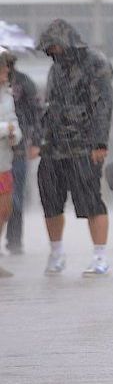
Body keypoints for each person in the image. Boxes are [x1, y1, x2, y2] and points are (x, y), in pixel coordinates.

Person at [35, 19, 113, 278]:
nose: (52, 52)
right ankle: (56, 253)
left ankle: (100, 256)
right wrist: (41, 138)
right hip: (53, 146)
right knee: (50, 200)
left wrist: (100, 142)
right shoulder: (54, 68)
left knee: (91, 201)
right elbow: (50, 105)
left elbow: (103, 104)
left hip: (84, 145)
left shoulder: (95, 62)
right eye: (49, 49)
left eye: (55, 46)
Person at [1, 50, 40, 255]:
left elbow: (35, 112)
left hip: (16, 150)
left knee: (14, 199)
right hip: (4, 152)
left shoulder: (23, 83)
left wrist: (35, 141)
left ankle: (14, 241)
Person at [0, 50, 24, 277]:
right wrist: (3, 129)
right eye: (4, 66)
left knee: (4, 210)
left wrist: (14, 134)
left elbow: (14, 123)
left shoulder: (7, 96)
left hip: (4, 164)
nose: (7, 71)